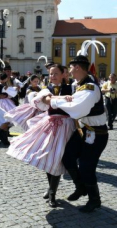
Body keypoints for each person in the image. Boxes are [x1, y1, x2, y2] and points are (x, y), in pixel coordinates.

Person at [43, 40, 108, 213]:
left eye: (70, 68)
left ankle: (95, 200)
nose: (68, 71)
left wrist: (53, 101)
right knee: (67, 156)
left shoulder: (89, 88)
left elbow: (75, 110)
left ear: (78, 68)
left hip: (97, 134)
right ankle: (81, 187)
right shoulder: (77, 85)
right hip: (83, 131)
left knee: (87, 167)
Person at [7, 64, 74, 207]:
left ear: (64, 74)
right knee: (48, 156)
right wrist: (61, 97)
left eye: (56, 73)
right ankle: (51, 190)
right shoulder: (46, 90)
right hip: (50, 124)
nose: (52, 76)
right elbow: (42, 100)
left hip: (66, 126)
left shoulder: (72, 88)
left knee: (58, 159)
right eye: (50, 74)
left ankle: (52, 193)